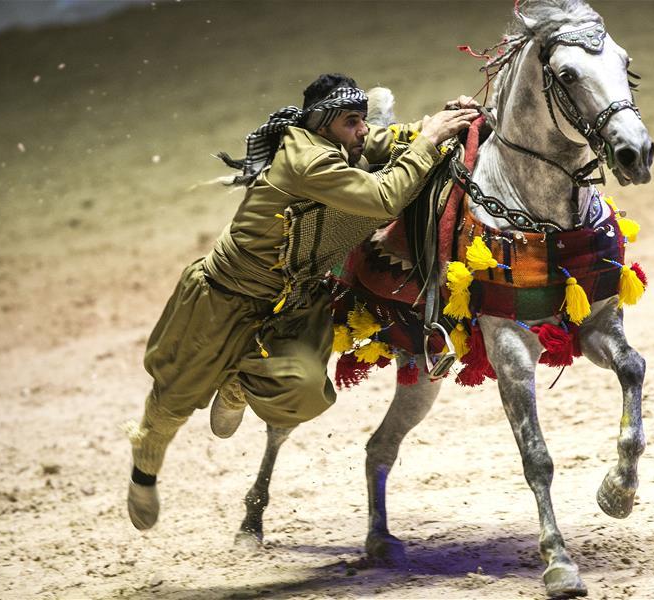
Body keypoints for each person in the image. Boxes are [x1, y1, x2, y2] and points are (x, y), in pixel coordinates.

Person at [125, 73, 478, 530]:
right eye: (352, 121)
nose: (363, 130)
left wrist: (444, 122)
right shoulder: (306, 161)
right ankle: (144, 468)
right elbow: (383, 197)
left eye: (362, 120)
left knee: (307, 390)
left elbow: (390, 140)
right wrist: (429, 142)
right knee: (173, 401)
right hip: (225, 295)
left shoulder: (341, 144)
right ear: (323, 123)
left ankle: (238, 382)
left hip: (294, 299)